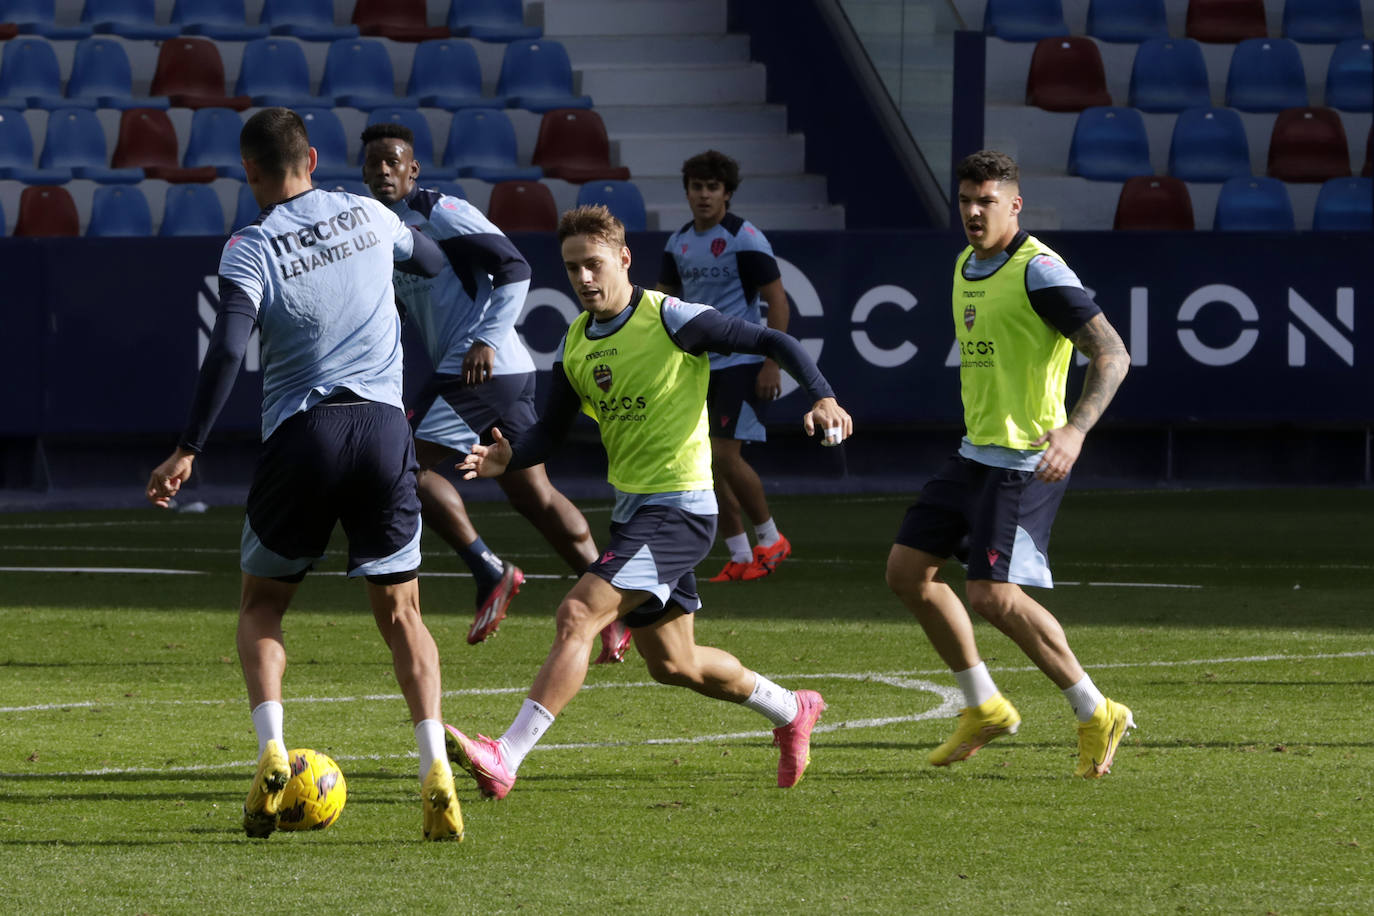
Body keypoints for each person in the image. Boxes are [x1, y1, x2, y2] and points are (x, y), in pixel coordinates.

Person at [444, 205, 853, 796]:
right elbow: (550, 435)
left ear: (624, 259)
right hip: (634, 514)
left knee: (577, 614)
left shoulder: (672, 319)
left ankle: (505, 755)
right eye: (572, 268)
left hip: (682, 510)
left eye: (594, 264)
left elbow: (772, 337)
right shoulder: (578, 344)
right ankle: (792, 709)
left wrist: (822, 397)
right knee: (674, 665)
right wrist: (511, 456)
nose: (584, 278)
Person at [145, 108, 464, 841]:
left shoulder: (250, 246)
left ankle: (270, 752)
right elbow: (435, 263)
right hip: (385, 432)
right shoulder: (367, 212)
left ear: (250, 172)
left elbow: (227, 348)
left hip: (304, 436)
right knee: (403, 616)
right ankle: (432, 768)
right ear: (314, 158)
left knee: (262, 607)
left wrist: (188, 446)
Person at [885, 150, 1134, 779]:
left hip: (1026, 459)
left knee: (993, 595)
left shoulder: (1040, 270)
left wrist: (1075, 432)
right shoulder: (967, 264)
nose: (972, 211)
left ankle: (1094, 709)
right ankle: (984, 705)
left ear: (1014, 204)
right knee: (907, 572)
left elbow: (1112, 353)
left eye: (986, 200)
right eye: (966, 199)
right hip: (974, 451)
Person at [359, 123, 630, 663]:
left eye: (395, 162)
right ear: (365, 172)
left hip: (483, 367)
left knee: (403, 467)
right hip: (491, 374)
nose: (385, 171)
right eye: (375, 164)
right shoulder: (381, 230)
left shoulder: (441, 212)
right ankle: (617, 608)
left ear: (413, 169)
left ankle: (488, 569)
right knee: (534, 495)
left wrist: (483, 338)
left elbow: (514, 265)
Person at [657, 150, 794, 583]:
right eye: (696, 187)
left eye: (712, 188)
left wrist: (772, 362)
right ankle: (738, 554)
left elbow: (777, 303)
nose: (703, 195)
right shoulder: (677, 242)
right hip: (698, 366)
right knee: (707, 463)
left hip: (742, 360)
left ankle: (771, 539)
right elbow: (662, 303)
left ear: (727, 193)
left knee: (723, 455)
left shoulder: (744, 238)